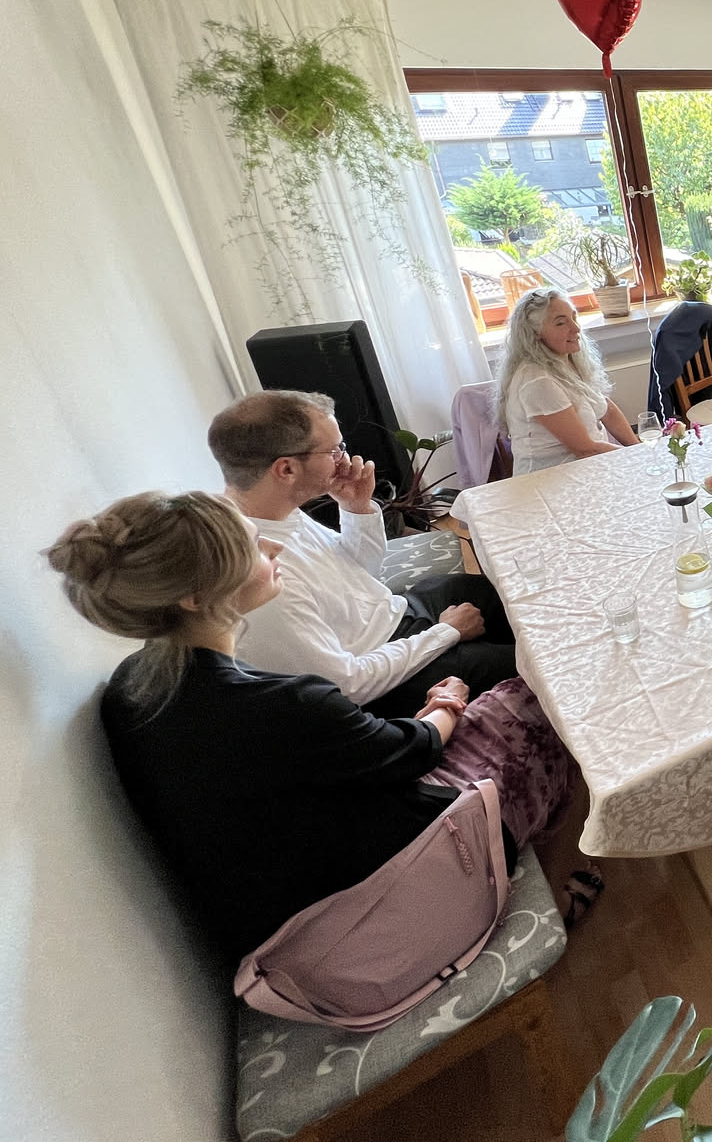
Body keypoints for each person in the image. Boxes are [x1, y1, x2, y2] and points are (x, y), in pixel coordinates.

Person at [46, 491, 575, 963]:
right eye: (254, 548)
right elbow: (417, 749)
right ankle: (526, 869)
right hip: (359, 912)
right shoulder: (279, 703)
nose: (274, 549)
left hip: (273, 910)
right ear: (194, 598)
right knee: (528, 697)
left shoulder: (133, 685)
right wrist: (449, 701)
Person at [209, 390, 520, 719]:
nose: (344, 459)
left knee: (502, 594)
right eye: (334, 450)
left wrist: (355, 508)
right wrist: (445, 633)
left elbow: (362, 572)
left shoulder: (277, 511)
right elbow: (347, 685)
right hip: (383, 675)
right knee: (531, 660)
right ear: (286, 469)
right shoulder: (259, 573)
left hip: (394, 619)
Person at [496, 287, 639, 475]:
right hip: (549, 480)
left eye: (574, 317)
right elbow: (585, 449)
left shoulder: (565, 361)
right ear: (535, 333)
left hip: (588, 468)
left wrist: (639, 448)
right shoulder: (537, 381)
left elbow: (607, 411)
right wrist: (637, 458)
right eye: (561, 323)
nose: (576, 328)